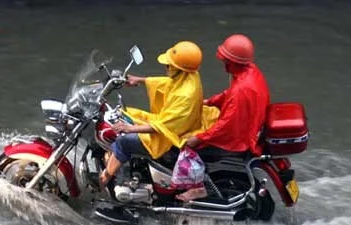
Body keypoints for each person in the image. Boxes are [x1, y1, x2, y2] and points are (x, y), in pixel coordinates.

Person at [99, 41, 213, 189]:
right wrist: (140, 80)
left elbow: (164, 126)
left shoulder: (186, 96)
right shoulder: (190, 75)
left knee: (124, 142)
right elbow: (169, 83)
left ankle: (103, 180)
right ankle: (119, 162)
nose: (167, 68)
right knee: (128, 114)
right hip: (174, 124)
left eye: (169, 66)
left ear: (180, 69)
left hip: (171, 136)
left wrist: (129, 129)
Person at [176, 34, 271, 202]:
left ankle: (197, 188)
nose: (224, 65)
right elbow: (229, 95)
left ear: (233, 62)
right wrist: (209, 102)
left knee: (184, 144)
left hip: (240, 138)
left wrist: (198, 139)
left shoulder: (241, 91)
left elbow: (225, 126)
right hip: (250, 126)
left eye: (226, 61)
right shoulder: (250, 73)